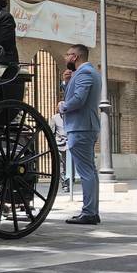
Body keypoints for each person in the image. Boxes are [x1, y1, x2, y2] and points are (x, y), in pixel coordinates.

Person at [59, 44, 102, 225]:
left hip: (80, 127)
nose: (66, 58)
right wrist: (66, 83)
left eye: (68, 55)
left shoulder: (84, 73)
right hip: (85, 126)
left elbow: (78, 99)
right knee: (90, 171)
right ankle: (92, 211)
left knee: (86, 171)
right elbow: (76, 93)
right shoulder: (87, 73)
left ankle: (89, 213)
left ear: (75, 56)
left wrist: (63, 106)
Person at [50, 100, 70, 193]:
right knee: (61, 165)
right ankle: (65, 184)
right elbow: (51, 133)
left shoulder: (70, 117)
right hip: (59, 145)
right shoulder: (54, 118)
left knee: (69, 165)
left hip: (70, 144)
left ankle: (69, 181)